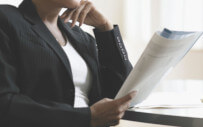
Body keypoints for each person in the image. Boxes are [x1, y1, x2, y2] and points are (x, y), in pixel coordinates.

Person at [0, 0, 136, 126]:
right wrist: (87, 117)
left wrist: (106, 28)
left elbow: (123, 95)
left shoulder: (80, 36)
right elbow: (5, 102)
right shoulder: (6, 19)